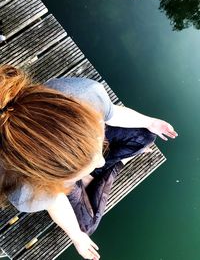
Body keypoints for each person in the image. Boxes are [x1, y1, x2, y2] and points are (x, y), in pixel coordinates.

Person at [0, 64, 178, 260]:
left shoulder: (83, 94)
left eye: (97, 144)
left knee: (146, 134)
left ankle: (90, 174)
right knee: (86, 227)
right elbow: (56, 202)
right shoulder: (25, 190)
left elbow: (113, 114)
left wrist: (150, 122)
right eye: (78, 171)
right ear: (51, 178)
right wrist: (77, 237)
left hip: (67, 143)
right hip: (43, 175)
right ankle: (107, 169)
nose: (101, 160)